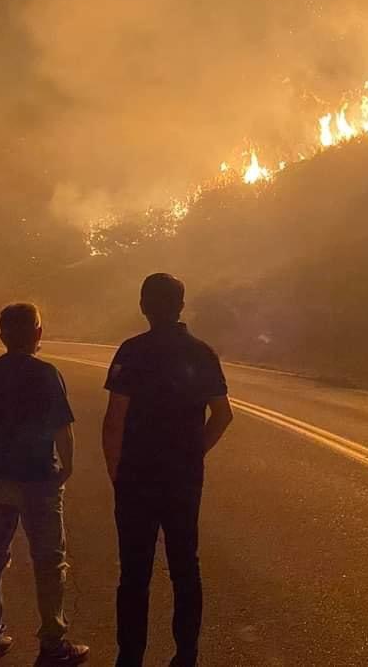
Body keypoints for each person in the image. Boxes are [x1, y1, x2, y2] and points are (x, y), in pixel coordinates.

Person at [103, 273, 235, 667]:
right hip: (183, 477)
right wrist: (194, 453)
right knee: (184, 566)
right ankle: (186, 655)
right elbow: (223, 415)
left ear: (143, 305)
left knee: (134, 574)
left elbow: (114, 421)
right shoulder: (202, 353)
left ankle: (130, 658)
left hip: (136, 478)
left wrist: (116, 472)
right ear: (181, 305)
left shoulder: (132, 351)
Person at [0, 303, 90, 666]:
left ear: (2, 334)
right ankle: (52, 643)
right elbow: (62, 428)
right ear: (37, 333)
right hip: (39, 478)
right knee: (49, 562)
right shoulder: (46, 374)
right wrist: (65, 467)